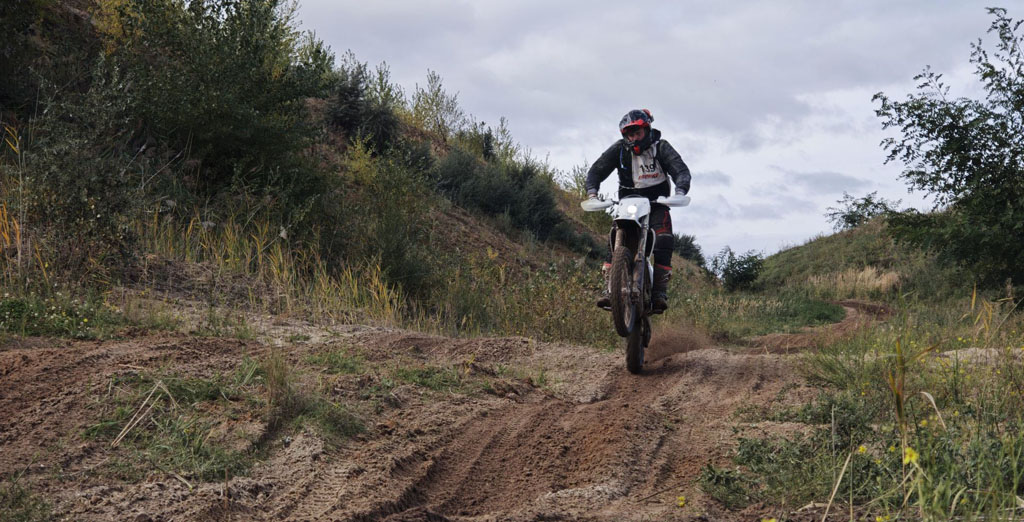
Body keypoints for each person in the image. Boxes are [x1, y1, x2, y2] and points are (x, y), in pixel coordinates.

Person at [586, 109, 691, 312]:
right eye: (630, 135)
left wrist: (680, 191)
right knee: (614, 237)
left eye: (637, 133)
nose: (634, 138)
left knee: (664, 239)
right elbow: (596, 171)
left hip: (657, 203)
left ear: (647, 130)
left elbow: (681, 170)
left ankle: (659, 292)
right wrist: (592, 194)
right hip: (628, 203)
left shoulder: (661, 147)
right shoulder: (619, 149)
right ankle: (610, 289)